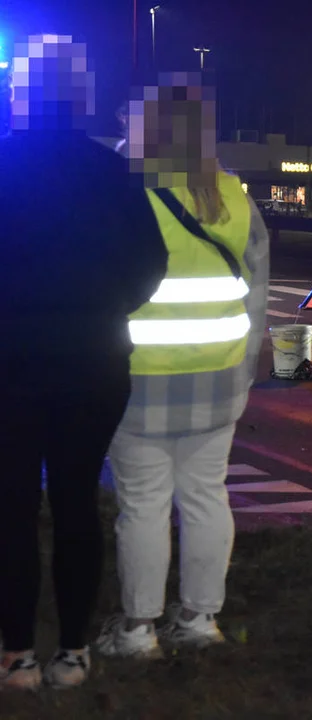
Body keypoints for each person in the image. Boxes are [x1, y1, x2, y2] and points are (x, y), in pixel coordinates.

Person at [0, 35, 169, 690]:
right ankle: (73, 651)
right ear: (81, 99)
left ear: (19, 97)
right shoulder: (114, 174)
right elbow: (150, 265)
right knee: (76, 501)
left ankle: (16, 653)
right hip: (94, 361)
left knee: (11, 506)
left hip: (10, 362)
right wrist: (105, 307)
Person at [94, 72, 270, 659]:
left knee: (142, 503)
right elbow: (256, 297)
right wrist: (243, 374)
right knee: (205, 496)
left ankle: (139, 629)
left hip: (138, 378)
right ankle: (199, 620)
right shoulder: (234, 196)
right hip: (217, 380)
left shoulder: (123, 193)